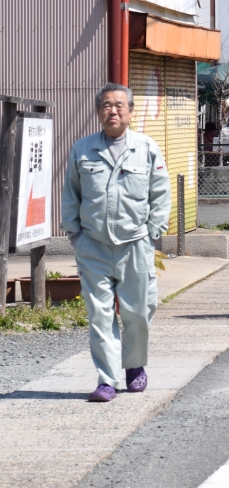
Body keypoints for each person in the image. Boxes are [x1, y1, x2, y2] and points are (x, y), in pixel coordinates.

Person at [62, 83, 172, 401]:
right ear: (99, 112)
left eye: (119, 105)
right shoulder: (82, 149)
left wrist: (152, 232)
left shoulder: (146, 148)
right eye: (106, 105)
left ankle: (134, 366)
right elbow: (71, 193)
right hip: (93, 245)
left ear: (130, 112)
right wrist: (75, 234)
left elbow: (160, 192)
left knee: (138, 311)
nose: (113, 110)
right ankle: (106, 380)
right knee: (99, 315)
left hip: (135, 243)